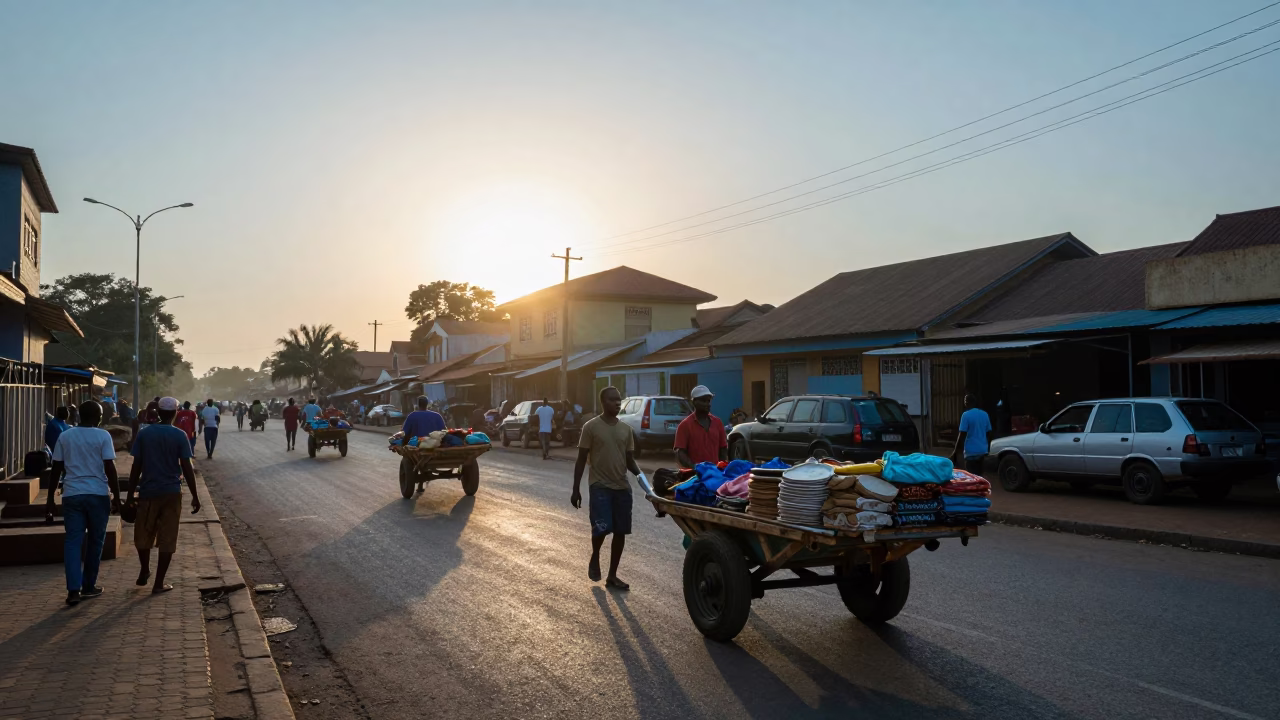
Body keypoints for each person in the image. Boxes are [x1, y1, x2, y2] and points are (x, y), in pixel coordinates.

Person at [44, 400, 121, 606]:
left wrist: (50, 499)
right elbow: (110, 467)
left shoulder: (66, 435)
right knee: (96, 541)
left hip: (72, 494)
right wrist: (117, 497)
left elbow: (56, 469)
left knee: (72, 542)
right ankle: (88, 586)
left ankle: (73, 590)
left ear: (79, 416)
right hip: (98, 494)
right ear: (98, 417)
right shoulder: (103, 436)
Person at [572, 386, 645, 591]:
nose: (617, 403)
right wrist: (576, 489)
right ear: (603, 402)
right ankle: (595, 555)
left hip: (622, 487)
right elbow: (580, 459)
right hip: (600, 486)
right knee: (601, 528)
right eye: (612, 399)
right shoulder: (590, 427)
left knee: (620, 531)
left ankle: (612, 575)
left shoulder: (626, 430)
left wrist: (644, 481)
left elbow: (629, 460)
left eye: (619, 399)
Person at [126, 397, 200, 594]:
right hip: (172, 493)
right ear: (175, 413)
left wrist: (130, 495)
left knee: (143, 535)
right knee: (168, 538)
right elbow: (187, 467)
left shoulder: (145, 434)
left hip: (148, 492)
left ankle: (144, 568)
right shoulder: (180, 435)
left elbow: (136, 466)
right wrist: (195, 495)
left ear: (158, 412)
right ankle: (158, 583)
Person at [674, 385, 728, 468]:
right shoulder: (685, 425)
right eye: (703, 401)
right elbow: (680, 452)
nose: (707, 404)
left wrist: (720, 467)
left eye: (708, 401)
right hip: (694, 474)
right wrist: (695, 468)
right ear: (694, 402)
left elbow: (723, 448)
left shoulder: (718, 423)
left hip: (715, 472)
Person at [953, 394, 993, 476]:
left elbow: (962, 435)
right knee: (979, 476)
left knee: (971, 477)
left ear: (967, 403)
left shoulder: (966, 415)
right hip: (982, 451)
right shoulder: (985, 414)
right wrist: (987, 447)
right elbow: (989, 433)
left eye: (965, 401)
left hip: (971, 452)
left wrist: (955, 452)